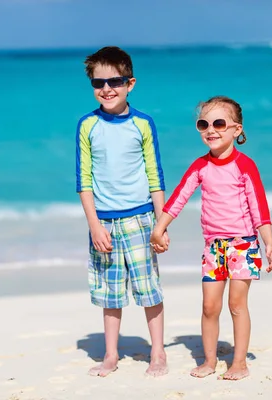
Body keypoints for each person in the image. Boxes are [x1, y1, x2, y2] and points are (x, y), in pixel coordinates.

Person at [150, 95, 272, 381]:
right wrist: (159, 228)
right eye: (203, 123)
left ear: (237, 129)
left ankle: (239, 362)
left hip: (243, 244)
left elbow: (259, 206)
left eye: (219, 122)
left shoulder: (245, 166)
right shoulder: (200, 166)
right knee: (209, 306)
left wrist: (268, 241)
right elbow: (179, 198)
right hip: (213, 247)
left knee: (236, 304)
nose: (211, 129)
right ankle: (209, 360)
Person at [75, 46, 170, 377]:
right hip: (104, 223)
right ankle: (111, 354)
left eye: (115, 81)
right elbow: (84, 181)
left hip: (142, 218)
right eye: (98, 83)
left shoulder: (143, 123)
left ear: (130, 83)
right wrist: (95, 225)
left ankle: (157, 352)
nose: (106, 89)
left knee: (148, 289)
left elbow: (155, 176)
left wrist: (161, 223)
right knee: (109, 293)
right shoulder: (87, 125)